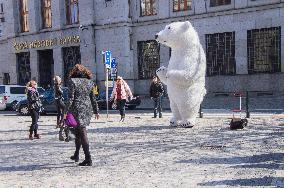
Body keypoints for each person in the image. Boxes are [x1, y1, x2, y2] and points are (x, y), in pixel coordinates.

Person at [65, 64, 100, 166]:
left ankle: (88, 158)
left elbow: (71, 98)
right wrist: (96, 111)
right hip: (87, 110)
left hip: (76, 109)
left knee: (82, 133)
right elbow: (93, 98)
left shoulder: (72, 81)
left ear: (74, 72)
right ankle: (76, 154)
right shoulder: (90, 82)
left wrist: (65, 112)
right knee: (78, 132)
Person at [54, 76, 70, 141]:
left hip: (57, 100)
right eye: (60, 80)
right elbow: (61, 92)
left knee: (59, 112)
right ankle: (61, 121)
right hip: (59, 100)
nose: (61, 81)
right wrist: (61, 89)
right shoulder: (57, 86)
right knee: (64, 109)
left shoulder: (56, 85)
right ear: (58, 80)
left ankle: (59, 122)